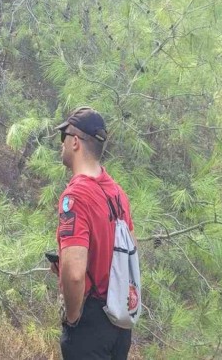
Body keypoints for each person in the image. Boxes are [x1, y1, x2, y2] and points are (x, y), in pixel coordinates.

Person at [52, 107, 135, 359]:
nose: (61, 145)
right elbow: (130, 254)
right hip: (120, 322)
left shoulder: (75, 196)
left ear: (75, 141)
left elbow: (75, 274)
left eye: (63, 137)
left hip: (90, 323)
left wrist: (73, 317)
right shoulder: (118, 194)